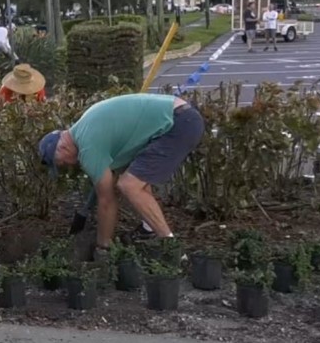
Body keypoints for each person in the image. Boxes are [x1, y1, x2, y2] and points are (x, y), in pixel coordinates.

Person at [38, 94, 204, 253]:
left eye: (60, 162)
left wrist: (103, 245)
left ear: (63, 147)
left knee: (129, 185)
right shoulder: (84, 128)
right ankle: (148, 229)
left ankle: (171, 246)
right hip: (181, 115)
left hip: (179, 124)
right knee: (135, 179)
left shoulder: (88, 148)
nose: (66, 166)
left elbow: (107, 201)